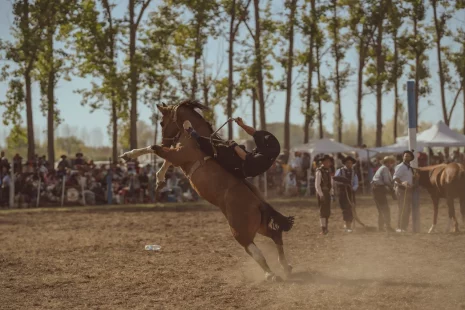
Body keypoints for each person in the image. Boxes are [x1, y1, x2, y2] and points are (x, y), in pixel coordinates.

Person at [183, 117, 280, 179]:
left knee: (222, 152)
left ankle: (192, 133)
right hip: (246, 160)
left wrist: (234, 145)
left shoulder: (263, 158)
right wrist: (242, 125)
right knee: (239, 147)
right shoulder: (268, 147)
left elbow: (245, 157)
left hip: (242, 169)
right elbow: (254, 133)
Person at [371, 156, 396, 232]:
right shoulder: (385, 169)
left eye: (391, 162)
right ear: (385, 163)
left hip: (378, 189)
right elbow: (386, 181)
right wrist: (392, 188)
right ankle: (387, 227)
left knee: (382, 209)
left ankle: (382, 227)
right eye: (388, 162)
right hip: (379, 189)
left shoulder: (383, 168)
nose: (389, 164)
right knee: (385, 209)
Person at [334, 156, 359, 233]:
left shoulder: (354, 173)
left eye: (350, 163)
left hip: (351, 192)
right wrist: (342, 184)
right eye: (347, 163)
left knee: (351, 208)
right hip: (342, 192)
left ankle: (349, 224)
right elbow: (335, 180)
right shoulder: (340, 171)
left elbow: (356, 183)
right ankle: (347, 225)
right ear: (345, 163)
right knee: (345, 209)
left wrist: (353, 188)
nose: (349, 164)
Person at [393, 150, 415, 232]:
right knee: (402, 208)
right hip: (401, 189)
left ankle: (404, 227)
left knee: (407, 209)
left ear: (411, 158)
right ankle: (399, 227)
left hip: (408, 190)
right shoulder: (401, 166)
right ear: (403, 157)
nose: (406, 157)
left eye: (408, 156)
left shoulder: (409, 168)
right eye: (405, 156)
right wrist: (402, 182)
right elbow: (395, 177)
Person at [315, 155, 334, 235]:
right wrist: (321, 194)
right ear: (322, 162)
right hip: (322, 192)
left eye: (329, 162)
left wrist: (332, 193)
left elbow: (331, 183)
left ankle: (326, 227)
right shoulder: (319, 171)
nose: (328, 163)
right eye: (326, 162)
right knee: (323, 211)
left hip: (327, 193)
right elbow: (317, 184)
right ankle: (323, 228)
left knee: (327, 211)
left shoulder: (328, 171)